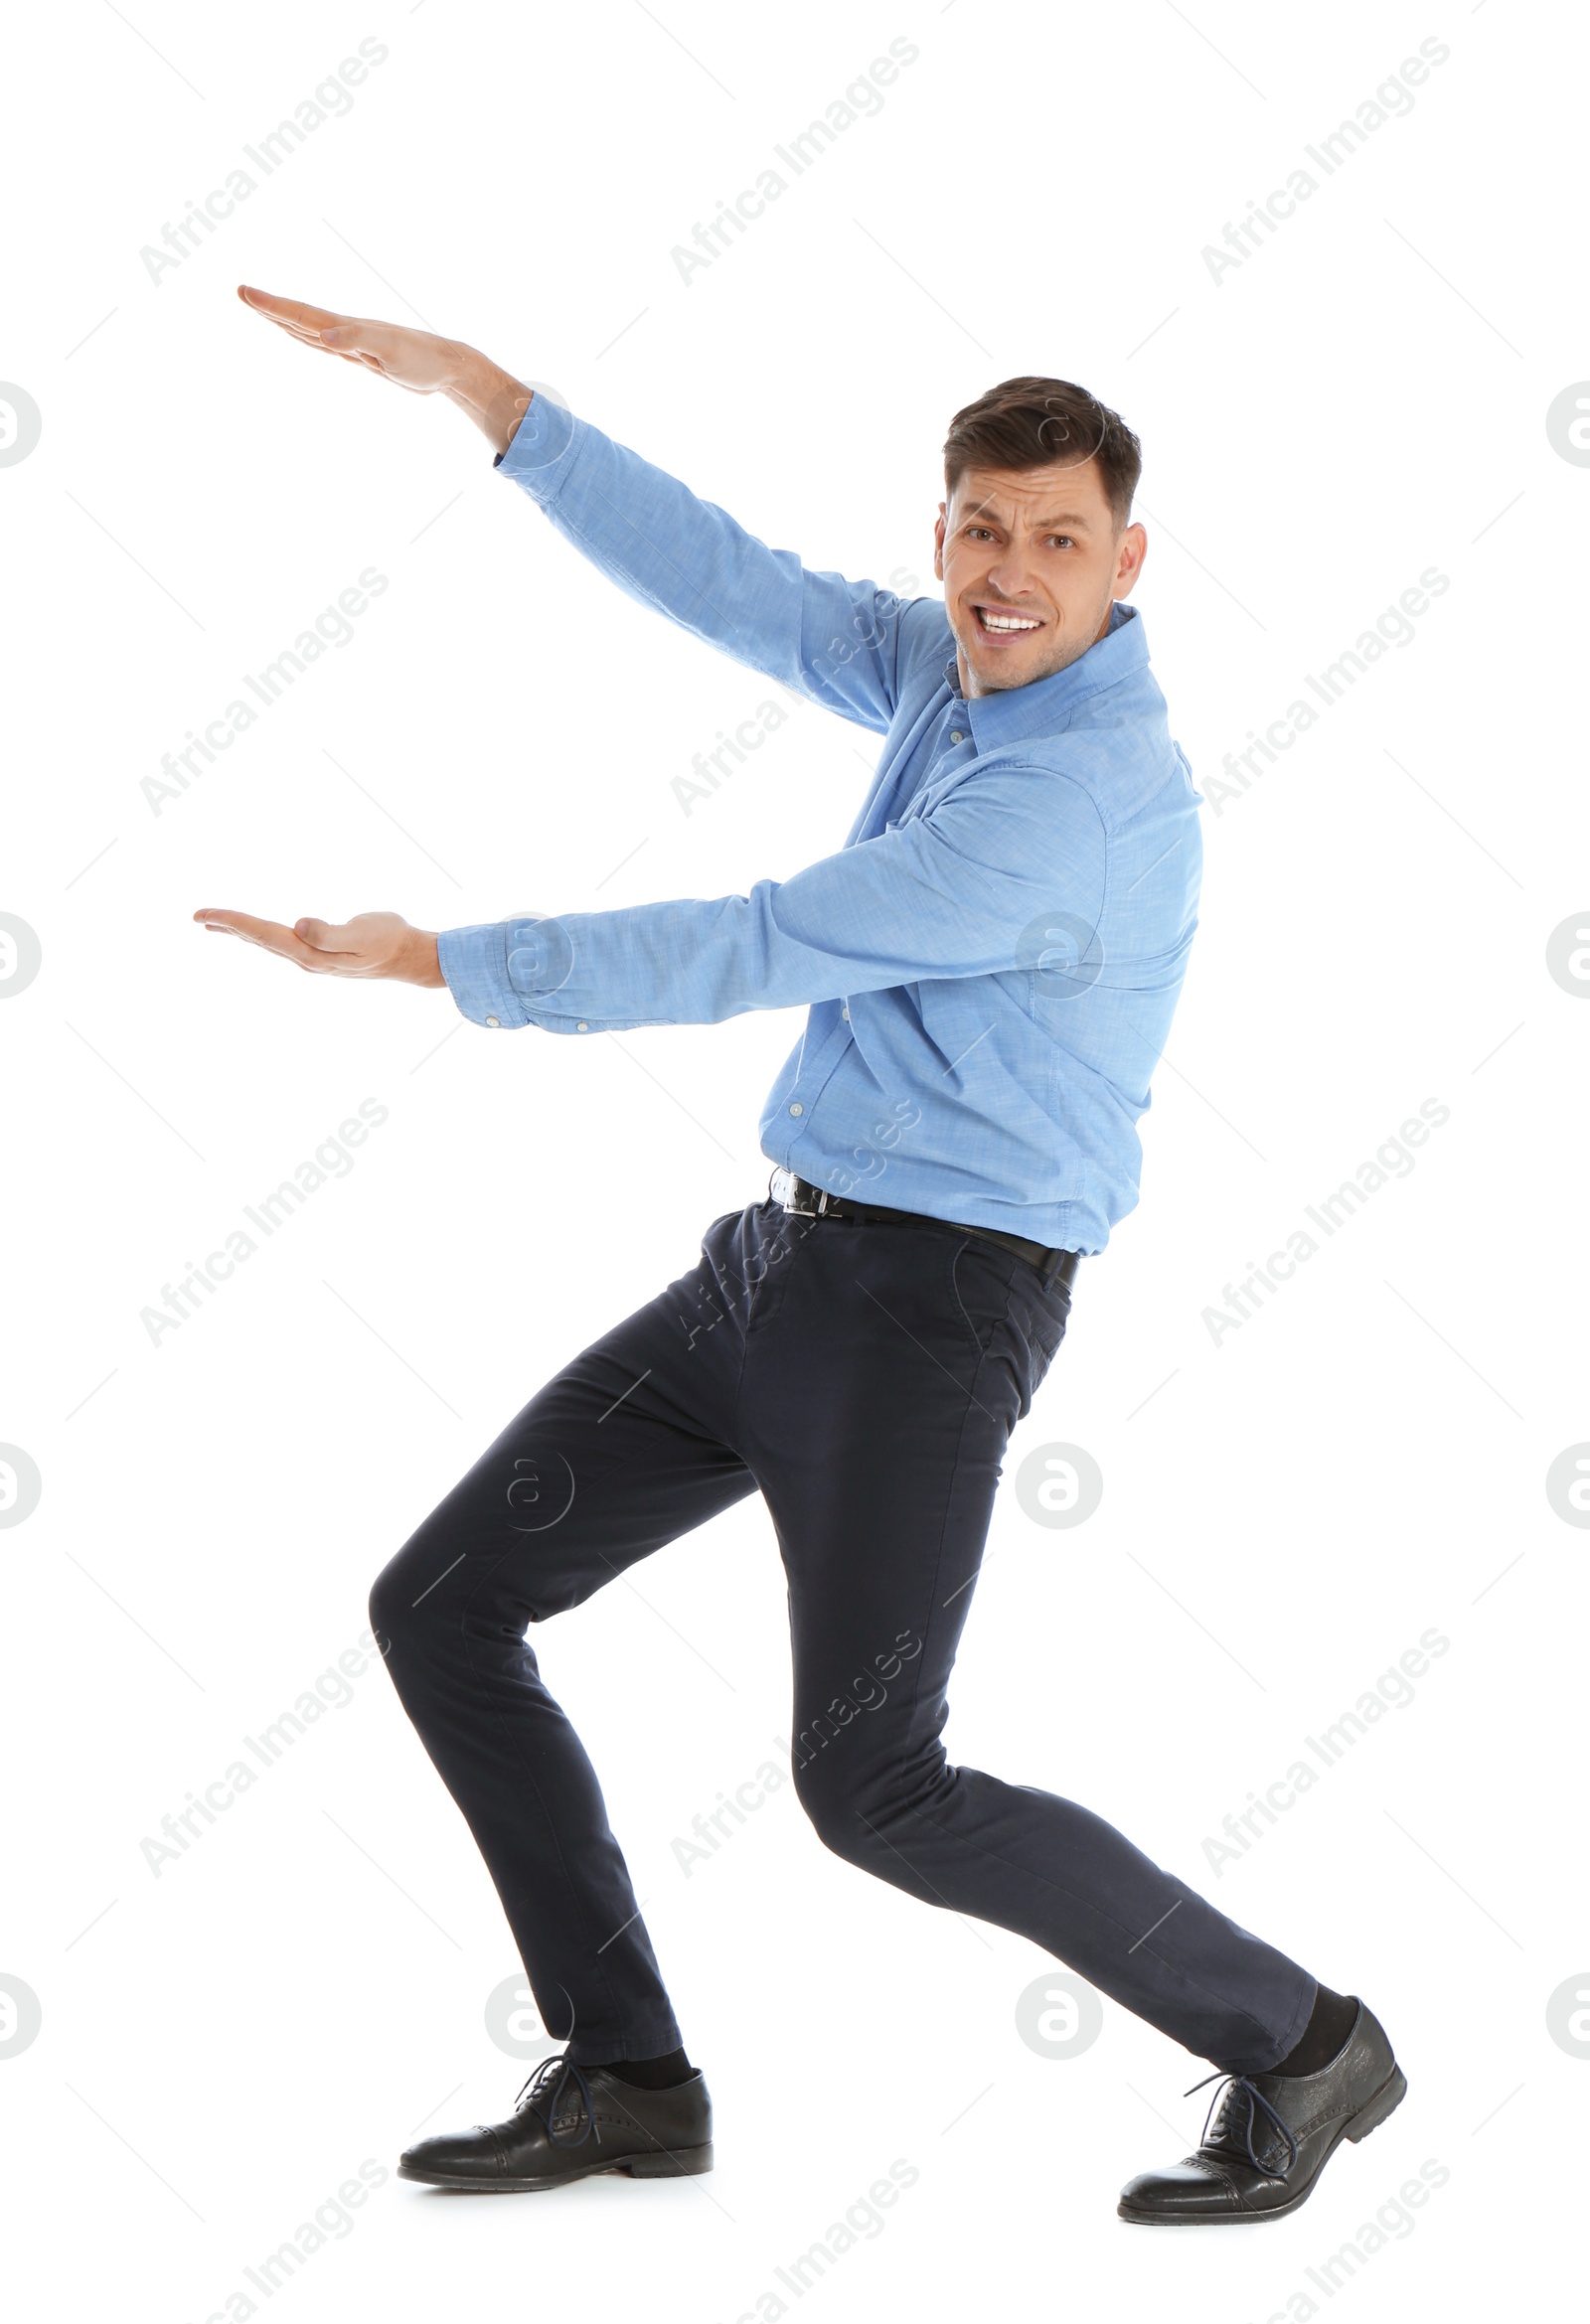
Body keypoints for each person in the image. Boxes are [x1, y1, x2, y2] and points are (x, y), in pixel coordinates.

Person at [194, 285, 1405, 2225]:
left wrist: (444, 960)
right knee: (444, 1603)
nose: (1007, 576)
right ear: (943, 532)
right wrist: (500, 406)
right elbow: (737, 585)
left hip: (928, 1317)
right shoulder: (954, 668)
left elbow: (757, 937)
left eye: (1054, 539)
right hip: (776, 1270)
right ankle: (624, 2070)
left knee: (876, 1790)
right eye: (979, 531)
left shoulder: (1071, 799)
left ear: (1126, 560)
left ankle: (1298, 2038)